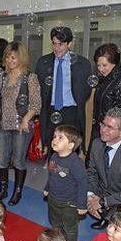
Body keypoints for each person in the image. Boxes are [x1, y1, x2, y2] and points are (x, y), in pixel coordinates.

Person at [0, 41, 41, 205]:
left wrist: (26, 119)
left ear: (21, 58)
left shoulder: (30, 78)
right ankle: (3, 189)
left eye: (13, 58)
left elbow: (36, 105)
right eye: (7, 57)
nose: (10, 61)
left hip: (22, 125)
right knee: (1, 159)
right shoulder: (2, 77)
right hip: (4, 125)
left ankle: (17, 192)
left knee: (19, 160)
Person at [35, 26, 92, 155]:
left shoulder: (82, 64)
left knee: (71, 153)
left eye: (61, 44)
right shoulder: (43, 62)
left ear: (69, 43)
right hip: (51, 112)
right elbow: (39, 89)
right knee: (52, 151)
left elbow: (86, 91)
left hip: (72, 113)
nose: (56, 48)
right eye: (54, 44)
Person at [87, 43, 121, 165]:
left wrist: (109, 129)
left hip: (113, 134)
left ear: (115, 63)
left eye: (104, 65)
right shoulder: (105, 78)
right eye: (98, 65)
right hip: (101, 130)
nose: (101, 69)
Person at [43, 125, 87, 241]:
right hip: (53, 200)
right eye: (54, 137)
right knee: (55, 224)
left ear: (70, 145)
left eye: (60, 138)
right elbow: (51, 175)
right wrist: (47, 188)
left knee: (70, 229)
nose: (55, 140)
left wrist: (81, 205)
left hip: (69, 204)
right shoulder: (54, 157)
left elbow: (83, 184)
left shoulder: (76, 163)